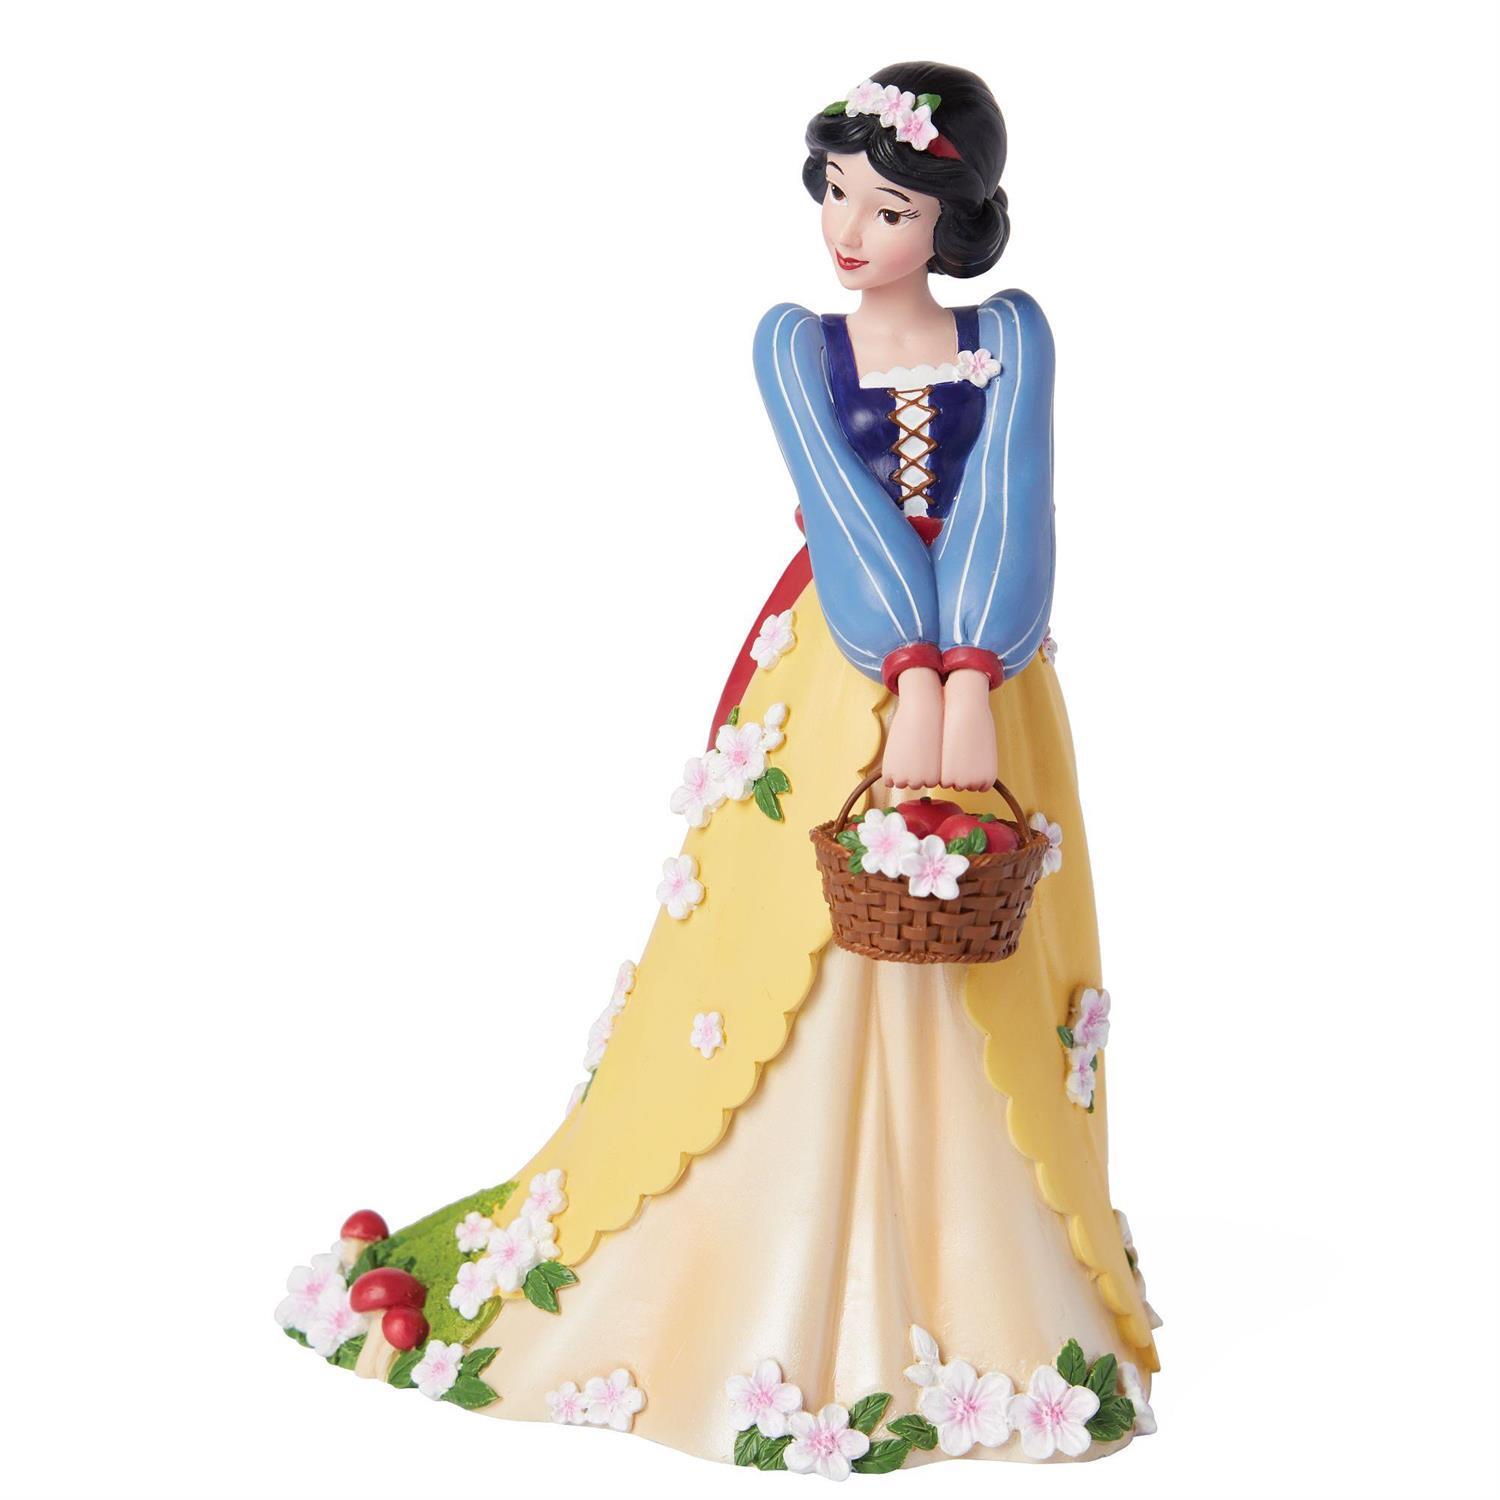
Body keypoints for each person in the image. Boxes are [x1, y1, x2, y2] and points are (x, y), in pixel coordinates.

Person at [276, 60, 1159, 1475]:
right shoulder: (796, 347)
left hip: (992, 671)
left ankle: (989, 1270)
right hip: (848, 659)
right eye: (836, 195)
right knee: (795, 925)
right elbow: (840, 503)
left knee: (985, 925)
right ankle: (763, 1251)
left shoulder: (1012, 335)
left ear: (950, 221)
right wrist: (908, 663)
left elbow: (1014, 496)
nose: (849, 231)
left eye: (888, 208)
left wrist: (975, 663)